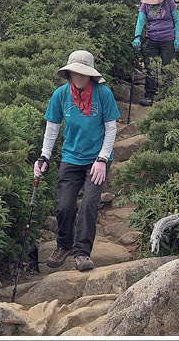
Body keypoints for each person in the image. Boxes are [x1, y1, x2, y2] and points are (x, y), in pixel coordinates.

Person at [33, 50, 121, 272]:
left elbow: (111, 129)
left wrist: (102, 159)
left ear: (91, 75)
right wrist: (44, 156)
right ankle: (64, 245)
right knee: (63, 206)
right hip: (71, 157)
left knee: (90, 204)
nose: (79, 77)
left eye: (83, 73)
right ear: (69, 74)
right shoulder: (60, 95)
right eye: (75, 73)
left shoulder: (103, 94)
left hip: (97, 159)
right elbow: (52, 129)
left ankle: (82, 253)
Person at [131, 0, 179, 106]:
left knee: (167, 67)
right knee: (150, 67)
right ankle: (149, 96)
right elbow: (140, 21)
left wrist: (177, 38)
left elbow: (177, 20)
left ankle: (167, 95)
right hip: (151, 38)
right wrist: (137, 37)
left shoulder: (169, 1)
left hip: (168, 39)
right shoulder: (145, 5)